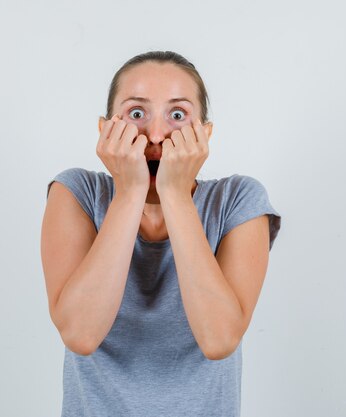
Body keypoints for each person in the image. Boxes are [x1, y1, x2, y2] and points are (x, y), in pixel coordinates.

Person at [40, 50, 282, 417]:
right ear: (106, 129)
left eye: (178, 115)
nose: (155, 134)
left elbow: (219, 340)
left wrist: (174, 194)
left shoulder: (239, 200)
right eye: (136, 114)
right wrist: (130, 192)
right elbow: (80, 334)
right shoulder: (76, 192)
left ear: (205, 133)